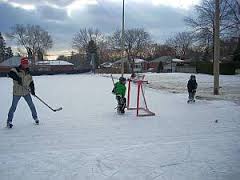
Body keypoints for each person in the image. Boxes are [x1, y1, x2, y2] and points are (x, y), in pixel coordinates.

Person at [6, 57, 39, 128]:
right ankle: (9, 121)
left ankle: (35, 118)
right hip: (17, 92)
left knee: (31, 105)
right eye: (25, 63)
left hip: (26, 92)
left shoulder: (28, 72)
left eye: (27, 64)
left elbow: (31, 82)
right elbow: (10, 74)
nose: (26, 65)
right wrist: (17, 79)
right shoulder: (16, 69)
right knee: (13, 107)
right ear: (22, 63)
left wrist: (33, 91)